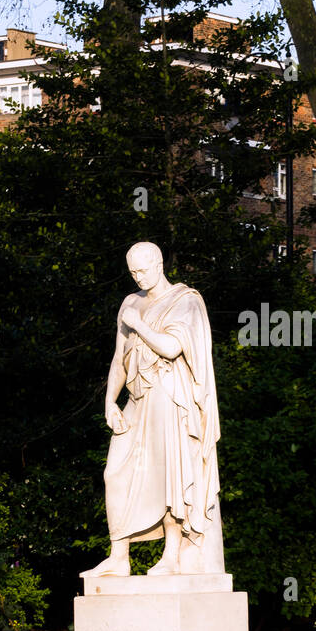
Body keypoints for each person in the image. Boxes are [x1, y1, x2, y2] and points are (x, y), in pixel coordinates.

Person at [85, 242, 225, 576]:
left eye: (143, 269)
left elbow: (172, 348)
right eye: (132, 271)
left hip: (168, 396)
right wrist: (109, 401)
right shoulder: (130, 302)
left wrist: (140, 325)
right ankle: (119, 555)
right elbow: (120, 358)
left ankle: (172, 553)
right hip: (137, 397)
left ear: (159, 264)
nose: (138, 276)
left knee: (168, 476)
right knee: (114, 471)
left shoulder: (186, 301)